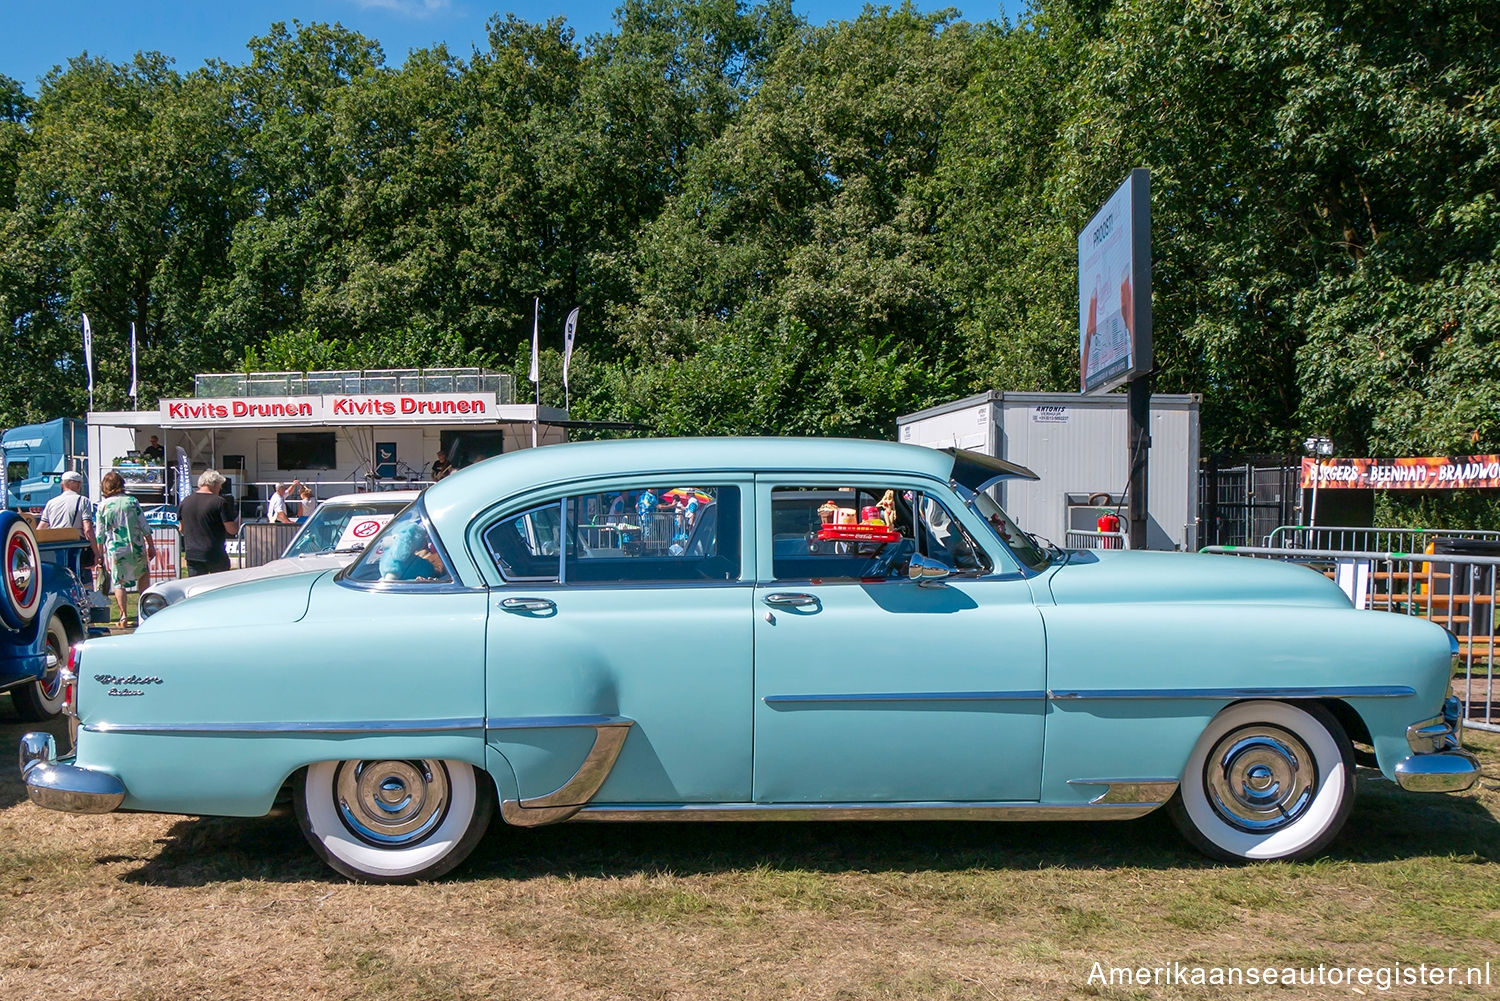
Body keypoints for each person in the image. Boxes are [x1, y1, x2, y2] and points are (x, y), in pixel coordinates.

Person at [96, 469, 155, 628]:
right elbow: (144, 525)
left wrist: (99, 554)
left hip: (115, 548)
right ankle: (144, 612)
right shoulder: (132, 502)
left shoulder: (103, 506)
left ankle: (123, 616)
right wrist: (151, 545)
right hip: (135, 545)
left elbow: (100, 533)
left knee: (119, 582)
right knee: (143, 576)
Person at [38, 470, 101, 581]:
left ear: (63, 484)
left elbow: (41, 528)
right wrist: (96, 552)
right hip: (76, 546)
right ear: (77, 484)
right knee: (81, 579)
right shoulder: (83, 501)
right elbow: (87, 529)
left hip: (55, 547)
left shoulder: (51, 502)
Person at [178, 469, 240, 576]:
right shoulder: (219, 502)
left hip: (192, 554)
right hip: (215, 554)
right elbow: (232, 529)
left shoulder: (185, 502)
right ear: (214, 484)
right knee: (220, 588)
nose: (220, 488)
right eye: (220, 485)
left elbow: (181, 529)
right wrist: (238, 521)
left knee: (196, 588)